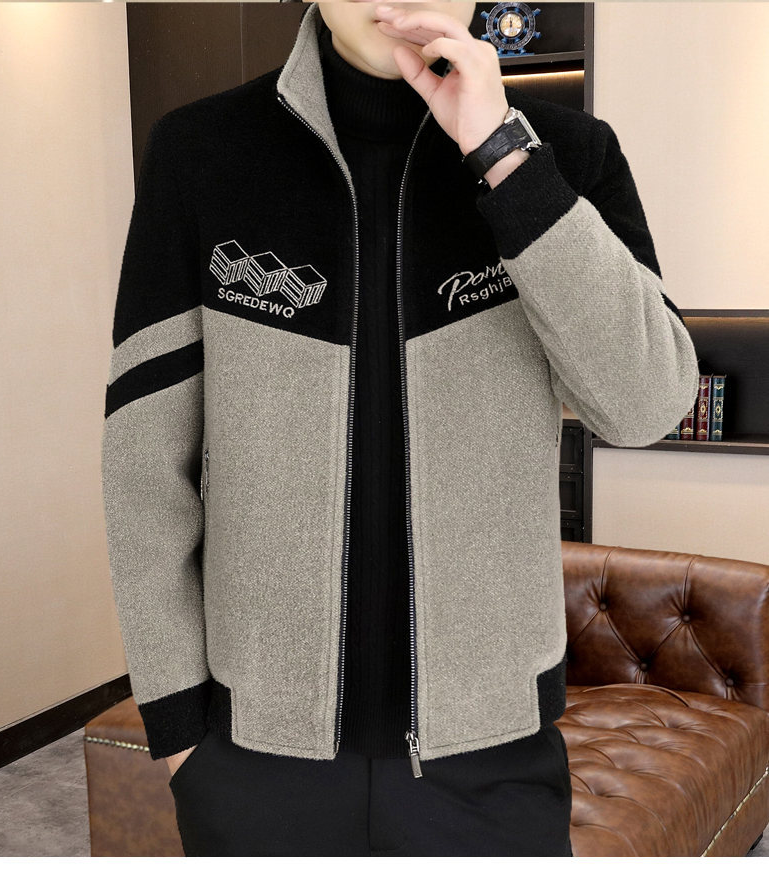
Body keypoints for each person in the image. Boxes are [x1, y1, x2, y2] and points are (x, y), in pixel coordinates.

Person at [101, 0, 700, 856]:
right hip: (252, 760)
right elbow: (143, 465)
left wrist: (504, 158)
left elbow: (645, 404)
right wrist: (181, 729)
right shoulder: (199, 153)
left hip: (492, 761)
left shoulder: (568, 154)